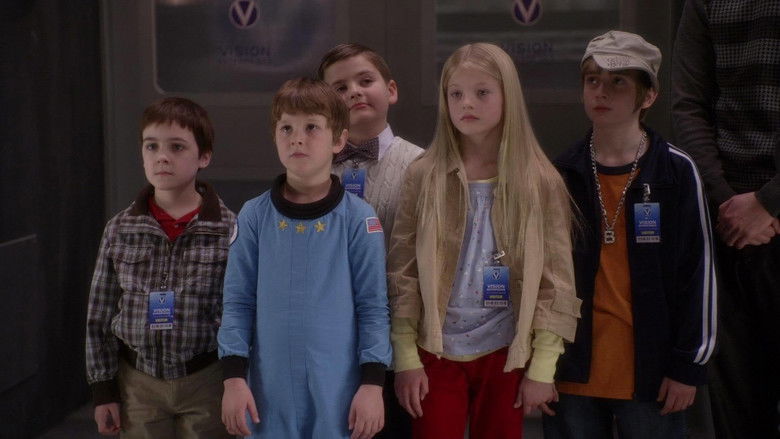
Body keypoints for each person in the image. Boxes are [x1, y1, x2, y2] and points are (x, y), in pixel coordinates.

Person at [387, 42, 581, 439]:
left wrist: (543, 367)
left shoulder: (540, 181)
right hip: (434, 350)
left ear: (508, 97)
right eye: (455, 93)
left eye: (482, 92)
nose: (467, 103)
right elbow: (402, 273)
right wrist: (406, 357)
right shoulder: (423, 175)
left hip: (506, 352)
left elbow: (556, 283)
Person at [544, 31, 717, 439]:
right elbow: (545, 277)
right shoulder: (561, 172)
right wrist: (539, 365)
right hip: (572, 371)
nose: (601, 91)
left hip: (652, 376)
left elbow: (699, 274)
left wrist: (688, 365)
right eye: (593, 80)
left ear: (649, 95)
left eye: (618, 81)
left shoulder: (676, 171)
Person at [218, 78, 392, 439]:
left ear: (339, 140)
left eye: (311, 127)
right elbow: (237, 302)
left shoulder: (359, 219)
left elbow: (373, 307)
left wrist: (373, 384)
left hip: (339, 395)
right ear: (275, 136)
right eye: (287, 128)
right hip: (268, 395)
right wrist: (233, 379)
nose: (297, 139)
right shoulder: (253, 216)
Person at [85, 97, 235, 438]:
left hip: (206, 380)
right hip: (138, 384)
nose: (162, 157)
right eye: (151, 146)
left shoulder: (229, 229)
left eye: (177, 147)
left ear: (204, 156)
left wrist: (237, 379)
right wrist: (103, 390)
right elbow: (99, 315)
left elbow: (239, 314)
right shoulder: (119, 229)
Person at [673, 2, 780, 437]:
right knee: (737, 407)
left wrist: (769, 202)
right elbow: (690, 106)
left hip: (752, 212)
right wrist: (726, 202)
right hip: (727, 226)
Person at [318, 43, 423, 438]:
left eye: (365, 81)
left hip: (401, 345)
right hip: (330, 344)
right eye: (340, 88)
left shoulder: (423, 166)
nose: (355, 92)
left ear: (391, 90)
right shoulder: (313, 169)